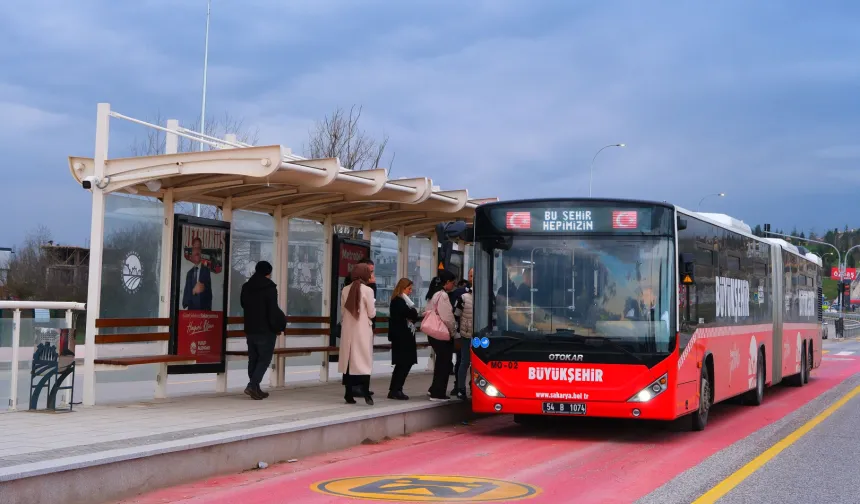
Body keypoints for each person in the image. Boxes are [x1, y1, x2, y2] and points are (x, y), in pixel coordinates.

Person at [240, 261, 286, 400]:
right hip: (266, 330)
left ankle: (256, 388)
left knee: (253, 359)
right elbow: (272, 310)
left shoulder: (246, 286)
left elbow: (243, 304)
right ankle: (252, 385)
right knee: (264, 359)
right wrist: (277, 326)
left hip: (251, 328)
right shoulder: (269, 287)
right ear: (268, 272)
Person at [339, 263, 376, 405]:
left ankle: (348, 394)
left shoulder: (346, 289)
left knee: (349, 360)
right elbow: (372, 313)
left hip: (348, 330)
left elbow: (343, 311)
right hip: (362, 331)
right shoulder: (367, 290)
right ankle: (366, 393)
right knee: (364, 360)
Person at [425, 269, 458, 401]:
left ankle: (434, 389)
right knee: (444, 363)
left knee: (440, 362)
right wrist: (453, 331)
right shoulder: (443, 295)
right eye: (453, 283)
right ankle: (438, 393)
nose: (453, 286)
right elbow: (447, 317)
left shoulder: (433, 294)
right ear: (447, 282)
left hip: (433, 333)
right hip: (442, 333)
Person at [388, 278, 420, 400]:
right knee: (403, 363)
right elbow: (412, 314)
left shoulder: (403, 301)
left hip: (404, 336)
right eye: (409, 289)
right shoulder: (398, 301)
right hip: (402, 338)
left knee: (404, 363)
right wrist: (412, 313)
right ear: (402, 288)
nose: (410, 291)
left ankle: (396, 389)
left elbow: (413, 316)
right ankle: (396, 389)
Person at [452, 272, 474, 401]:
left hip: (481, 336)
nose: (473, 278)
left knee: (477, 363)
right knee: (464, 362)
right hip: (466, 334)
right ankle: (461, 388)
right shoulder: (463, 297)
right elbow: (456, 314)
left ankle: (474, 387)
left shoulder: (486, 295)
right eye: (471, 275)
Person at [182, 237, 212, 311]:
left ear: (201, 251)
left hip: (204, 315)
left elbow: (210, 296)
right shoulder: (189, 274)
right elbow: (185, 300)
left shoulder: (206, 271)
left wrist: (204, 289)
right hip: (191, 316)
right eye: (195, 247)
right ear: (192, 252)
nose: (197, 250)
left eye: (199, 248)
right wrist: (193, 291)